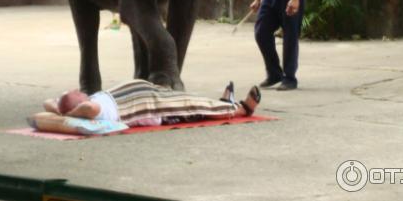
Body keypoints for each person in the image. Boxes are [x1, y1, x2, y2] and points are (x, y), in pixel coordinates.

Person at [35, 79, 261, 128]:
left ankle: (223, 103)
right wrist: (70, 110)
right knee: (188, 106)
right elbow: (84, 109)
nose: (79, 91)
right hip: (149, 107)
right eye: (76, 93)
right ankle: (241, 109)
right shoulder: (91, 108)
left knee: (185, 98)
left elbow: (48, 104)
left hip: (140, 93)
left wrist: (61, 107)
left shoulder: (90, 102)